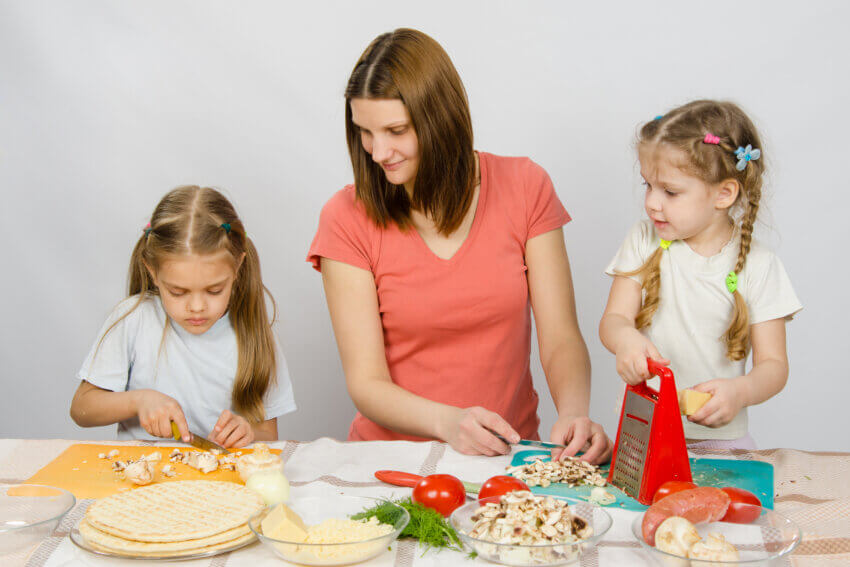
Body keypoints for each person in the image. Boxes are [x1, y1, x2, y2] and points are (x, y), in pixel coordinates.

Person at [307, 28, 611, 463]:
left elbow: (561, 337)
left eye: (396, 130)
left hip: (507, 455)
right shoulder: (345, 216)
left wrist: (575, 413)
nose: (377, 151)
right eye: (364, 132)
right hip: (389, 462)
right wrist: (447, 422)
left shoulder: (526, 187)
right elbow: (366, 383)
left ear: (441, 118)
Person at [599, 100, 802, 450]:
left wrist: (741, 391)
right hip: (641, 432)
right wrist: (625, 340)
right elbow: (613, 320)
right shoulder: (643, 240)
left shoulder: (759, 265)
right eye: (647, 185)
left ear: (724, 194)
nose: (651, 202)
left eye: (670, 191)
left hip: (721, 442)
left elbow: (774, 366)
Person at [70, 186, 296, 448]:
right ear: (153, 272)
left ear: (237, 268)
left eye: (214, 290)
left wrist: (248, 433)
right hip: (146, 480)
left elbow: (268, 436)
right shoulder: (133, 320)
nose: (197, 307)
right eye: (178, 292)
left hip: (219, 484)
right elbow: (81, 409)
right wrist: (138, 400)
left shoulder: (255, 335)